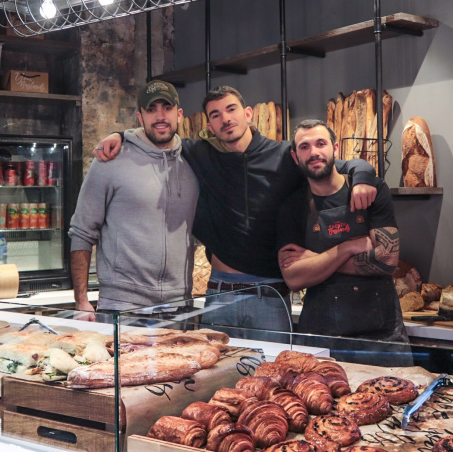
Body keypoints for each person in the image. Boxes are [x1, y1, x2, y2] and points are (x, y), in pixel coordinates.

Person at [92, 86, 378, 336]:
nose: (225, 118)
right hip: (219, 295)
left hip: (271, 296)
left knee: (274, 385)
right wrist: (121, 135)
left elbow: (345, 164)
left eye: (231, 109)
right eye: (215, 115)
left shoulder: (283, 155)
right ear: (210, 125)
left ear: (248, 113)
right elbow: (159, 135)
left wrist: (363, 178)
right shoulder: (200, 154)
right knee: (218, 389)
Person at [69, 80, 199, 315]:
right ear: (140, 118)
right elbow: (81, 232)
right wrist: (81, 301)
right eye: (151, 110)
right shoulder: (110, 161)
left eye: (167, 108)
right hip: (123, 306)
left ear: (179, 114)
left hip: (179, 306)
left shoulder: (194, 162)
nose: (160, 116)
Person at [276, 119, 407, 342]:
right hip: (322, 335)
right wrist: (348, 247)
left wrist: (317, 261)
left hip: (381, 337)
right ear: (295, 157)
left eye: (320, 143)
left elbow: (387, 260)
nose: (314, 152)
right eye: (304, 147)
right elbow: (294, 278)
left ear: (335, 148)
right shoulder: (292, 205)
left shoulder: (371, 190)